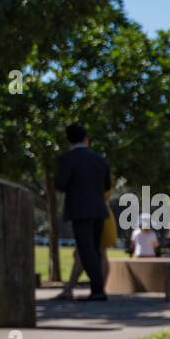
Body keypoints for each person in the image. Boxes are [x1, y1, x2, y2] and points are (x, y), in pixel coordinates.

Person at [54, 124, 110, 301]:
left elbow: (60, 184)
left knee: (86, 251)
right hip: (99, 209)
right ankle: (98, 288)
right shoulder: (100, 159)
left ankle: (98, 290)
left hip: (80, 210)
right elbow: (107, 185)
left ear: (68, 141)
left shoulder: (67, 159)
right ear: (86, 139)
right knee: (95, 249)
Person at [59, 188, 115, 300]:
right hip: (99, 212)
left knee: (93, 252)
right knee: (86, 253)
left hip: (93, 212)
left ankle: (73, 288)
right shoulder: (103, 172)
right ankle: (93, 289)